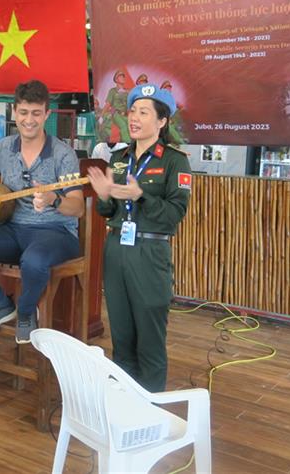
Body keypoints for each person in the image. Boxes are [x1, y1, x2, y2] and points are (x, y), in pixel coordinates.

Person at [0, 80, 85, 345]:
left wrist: (53, 199)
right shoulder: (4, 147)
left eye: (36, 113)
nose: (29, 120)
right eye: (23, 112)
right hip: (12, 229)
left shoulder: (63, 154)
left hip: (56, 233)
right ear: (14, 112)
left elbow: (77, 207)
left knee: (33, 260)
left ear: (47, 114)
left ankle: (25, 312)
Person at [86, 83, 192, 392]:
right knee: (121, 334)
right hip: (116, 248)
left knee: (149, 337)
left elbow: (174, 214)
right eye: (132, 111)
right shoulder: (119, 159)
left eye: (143, 112)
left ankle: (151, 412)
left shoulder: (174, 161)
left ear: (161, 121)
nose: (134, 117)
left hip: (150, 251)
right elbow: (108, 211)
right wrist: (104, 196)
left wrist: (141, 194)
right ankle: (125, 406)